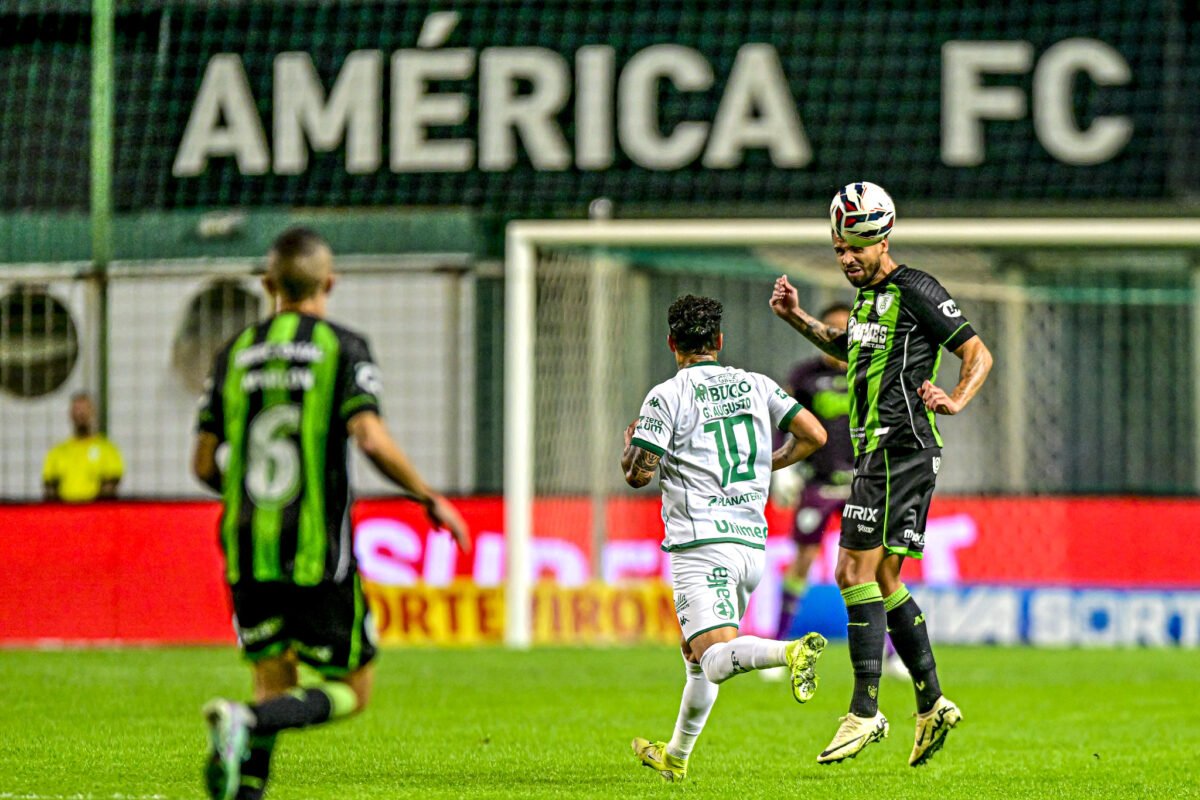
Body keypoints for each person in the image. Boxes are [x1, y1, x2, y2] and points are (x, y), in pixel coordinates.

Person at [191, 227, 470, 800]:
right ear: (330, 282)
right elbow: (368, 437)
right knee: (354, 689)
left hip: (246, 542)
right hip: (318, 550)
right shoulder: (343, 348)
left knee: (273, 679)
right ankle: (248, 722)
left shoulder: (232, 354)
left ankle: (245, 782)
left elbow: (202, 465)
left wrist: (244, 496)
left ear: (268, 284)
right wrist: (427, 496)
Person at [770, 185, 993, 767]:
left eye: (858, 248)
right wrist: (795, 317)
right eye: (840, 248)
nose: (847, 258)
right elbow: (844, 349)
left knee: (851, 568)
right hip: (882, 452)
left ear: (883, 240)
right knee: (885, 577)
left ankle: (865, 711)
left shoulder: (914, 288)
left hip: (899, 448)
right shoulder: (868, 301)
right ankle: (932, 702)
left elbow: (977, 353)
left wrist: (957, 398)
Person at [623, 294, 830, 782]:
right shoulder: (757, 385)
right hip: (750, 545)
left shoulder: (667, 395)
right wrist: (769, 463)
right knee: (694, 655)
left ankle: (790, 650)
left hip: (702, 544)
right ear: (719, 341)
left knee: (714, 655)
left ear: (673, 342)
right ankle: (675, 756)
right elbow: (814, 434)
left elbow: (637, 474)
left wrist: (630, 445)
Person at [772, 303, 909, 680]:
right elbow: (784, 422)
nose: (831, 338)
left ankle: (892, 652)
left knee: (874, 567)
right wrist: (782, 467)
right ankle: (781, 641)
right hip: (817, 484)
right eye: (825, 330)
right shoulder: (804, 377)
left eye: (840, 330)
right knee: (802, 560)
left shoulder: (871, 372)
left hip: (864, 484)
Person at [42, 391, 124, 502]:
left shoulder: (108, 450)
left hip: (96, 515)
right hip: (64, 515)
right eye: (77, 410)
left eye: (85, 410)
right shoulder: (57, 452)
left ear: (93, 413)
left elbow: (110, 486)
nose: (81, 414)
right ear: (70, 414)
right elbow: (50, 488)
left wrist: (88, 511)